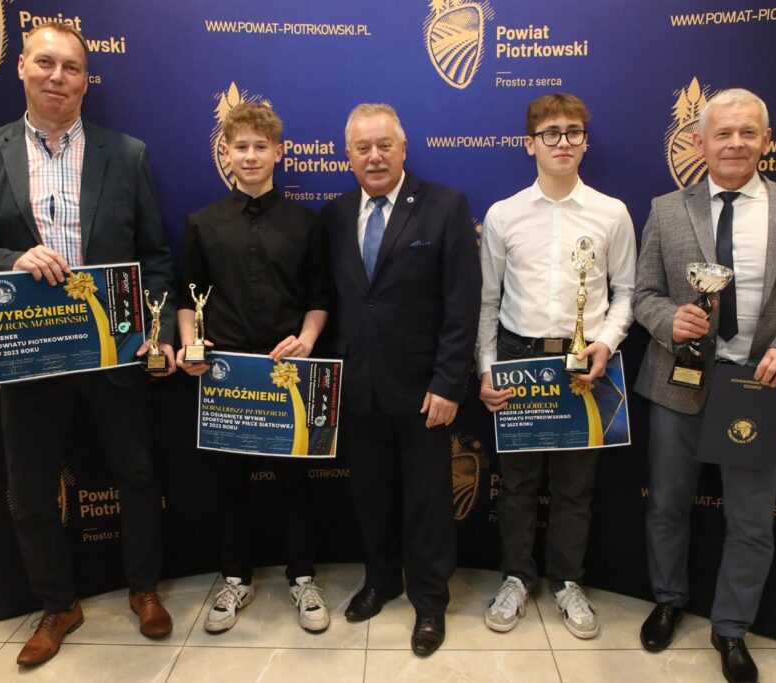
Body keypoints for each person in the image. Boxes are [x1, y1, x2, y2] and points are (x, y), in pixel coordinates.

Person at [0, 22, 176, 667]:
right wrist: (11, 260)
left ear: (86, 81)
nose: (57, 78)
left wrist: (154, 332)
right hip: (32, 351)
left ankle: (144, 590)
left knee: (137, 475)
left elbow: (155, 256)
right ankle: (58, 605)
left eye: (71, 68)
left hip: (114, 351)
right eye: (45, 63)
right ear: (21, 67)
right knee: (31, 494)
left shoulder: (126, 153)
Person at [633, 88, 776, 683]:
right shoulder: (666, 210)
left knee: (751, 520)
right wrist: (668, 321)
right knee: (668, 505)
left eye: (747, 132)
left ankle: (730, 628)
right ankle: (668, 600)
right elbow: (643, 293)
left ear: (767, 141)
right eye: (722, 133)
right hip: (678, 383)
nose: (735, 143)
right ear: (699, 143)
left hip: (759, 387)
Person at [320, 103, 481, 656]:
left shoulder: (445, 206)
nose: (375, 156)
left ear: (404, 149)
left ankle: (430, 601)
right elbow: (337, 299)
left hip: (424, 389)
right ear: (348, 156)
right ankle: (382, 580)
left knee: (428, 502)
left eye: (384, 145)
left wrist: (449, 382)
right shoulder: (336, 214)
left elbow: (461, 304)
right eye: (363, 147)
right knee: (370, 496)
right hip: (357, 385)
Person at [477, 93, 636, 638]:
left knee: (575, 487)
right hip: (518, 360)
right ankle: (516, 578)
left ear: (586, 141)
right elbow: (487, 302)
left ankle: (568, 581)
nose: (562, 142)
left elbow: (628, 293)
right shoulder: (503, 214)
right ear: (530, 144)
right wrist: (486, 368)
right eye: (550, 133)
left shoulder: (611, 213)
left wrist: (607, 343)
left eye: (573, 132)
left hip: (583, 362)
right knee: (517, 485)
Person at [176, 102, 332, 635]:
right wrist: (190, 346)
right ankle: (234, 579)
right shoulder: (202, 223)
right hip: (225, 377)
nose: (250, 156)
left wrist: (307, 340)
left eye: (260, 146)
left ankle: (303, 577)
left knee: (295, 484)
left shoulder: (306, 224)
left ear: (278, 152)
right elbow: (186, 298)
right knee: (229, 486)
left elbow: (320, 297)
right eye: (240, 146)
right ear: (225, 152)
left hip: (288, 374)